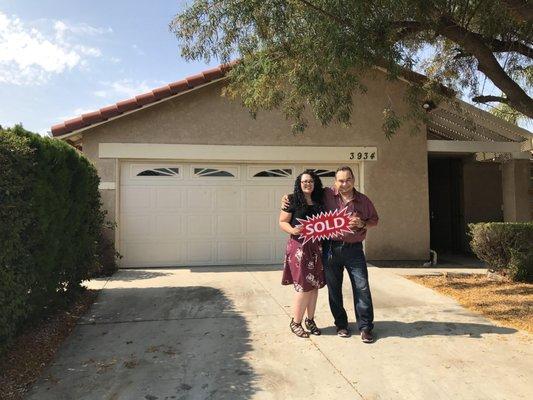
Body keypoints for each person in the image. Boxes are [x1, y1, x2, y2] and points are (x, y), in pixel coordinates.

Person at [282, 166, 378, 343]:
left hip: (354, 250)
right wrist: (286, 199)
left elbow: (374, 220)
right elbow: (302, 194)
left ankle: (365, 327)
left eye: (348, 179)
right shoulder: (326, 195)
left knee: (362, 287)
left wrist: (363, 224)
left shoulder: (363, 200)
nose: (344, 183)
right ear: (335, 181)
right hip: (330, 248)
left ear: (353, 180)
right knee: (334, 290)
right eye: (340, 180)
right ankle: (341, 325)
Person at [279, 170, 326, 338]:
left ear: (315, 184)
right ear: (299, 184)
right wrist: (293, 229)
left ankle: (310, 320)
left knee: (314, 286)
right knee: (303, 287)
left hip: (316, 248)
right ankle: (295, 322)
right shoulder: (292, 199)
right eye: (304, 181)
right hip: (299, 247)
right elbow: (282, 221)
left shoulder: (320, 200)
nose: (308, 184)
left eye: (311, 181)